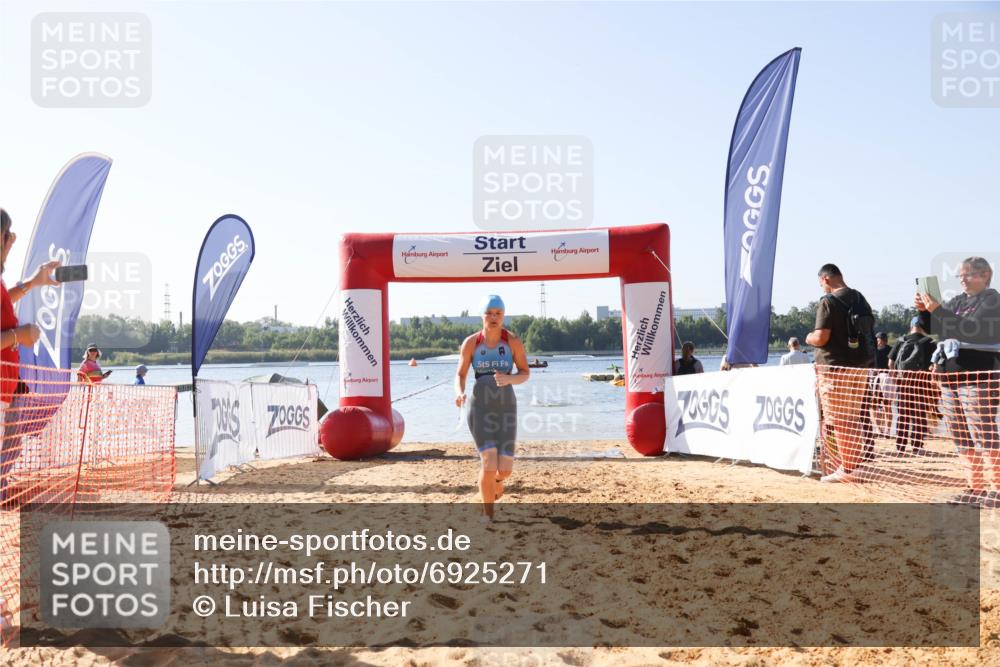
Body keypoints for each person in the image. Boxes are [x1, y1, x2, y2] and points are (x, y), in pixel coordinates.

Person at [917, 257, 1000, 504]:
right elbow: (938, 329)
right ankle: (975, 486)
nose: (962, 279)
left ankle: (997, 486)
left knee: (983, 429)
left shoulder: (992, 300)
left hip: (978, 375)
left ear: (985, 275)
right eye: (960, 276)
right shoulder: (958, 301)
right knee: (959, 431)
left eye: (968, 274)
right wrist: (923, 312)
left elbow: (972, 330)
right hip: (951, 376)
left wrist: (938, 310)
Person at [0, 208, 61, 505]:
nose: (12, 241)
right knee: (10, 442)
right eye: (7, 235)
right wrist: (18, 336)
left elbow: (3, 300)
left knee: (14, 442)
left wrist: (33, 282)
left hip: (9, 383)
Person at [455, 295, 530, 522]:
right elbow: (460, 374)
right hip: (479, 409)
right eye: (489, 313)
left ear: (503, 316)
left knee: (504, 470)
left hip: (506, 409)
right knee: (488, 464)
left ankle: (496, 482)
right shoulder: (471, 343)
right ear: (482, 316)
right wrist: (459, 393)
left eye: (498, 313)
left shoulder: (513, 342)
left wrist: (510, 379)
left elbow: (525, 373)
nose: (494, 317)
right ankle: (488, 515)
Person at [806, 263, 876, 483]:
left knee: (838, 419)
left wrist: (808, 337)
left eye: (820, 283)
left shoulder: (828, 301)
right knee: (852, 417)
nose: (821, 287)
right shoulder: (859, 298)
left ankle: (848, 468)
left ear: (825, 279)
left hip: (835, 368)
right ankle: (854, 465)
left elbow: (821, 337)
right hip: (860, 365)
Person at [888, 317, 937, 453]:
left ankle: (901, 446)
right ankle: (917, 446)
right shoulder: (929, 342)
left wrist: (895, 378)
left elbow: (890, 363)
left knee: (903, 414)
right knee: (919, 414)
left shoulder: (901, 341)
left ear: (911, 326)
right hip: (921, 383)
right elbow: (934, 364)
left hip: (903, 383)